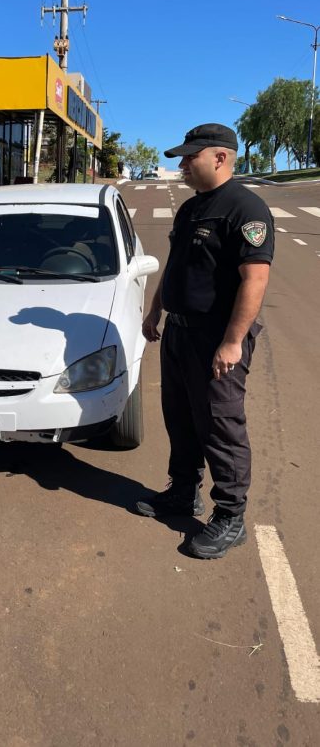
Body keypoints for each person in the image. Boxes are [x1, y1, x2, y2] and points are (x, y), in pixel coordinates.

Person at [136, 123, 274, 559]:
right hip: (179, 331)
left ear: (219, 158)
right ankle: (183, 491)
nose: (181, 165)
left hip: (216, 337)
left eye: (189, 157)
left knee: (220, 425)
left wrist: (233, 342)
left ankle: (231, 517)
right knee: (179, 417)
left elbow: (255, 279)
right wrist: (157, 307)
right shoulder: (191, 209)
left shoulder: (245, 209)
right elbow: (177, 264)